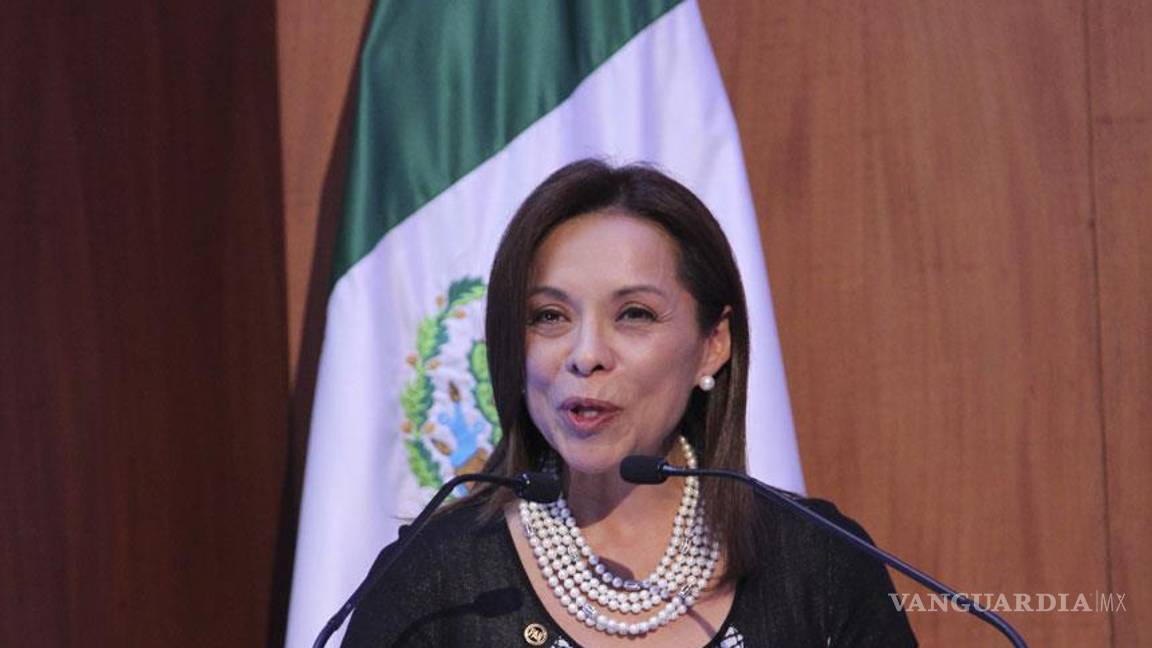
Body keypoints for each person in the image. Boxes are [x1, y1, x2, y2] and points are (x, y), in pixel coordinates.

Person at [343, 159, 917, 647]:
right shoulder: (432, 581)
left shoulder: (821, 560)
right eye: (549, 316)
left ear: (713, 345)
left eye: (634, 314)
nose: (586, 354)